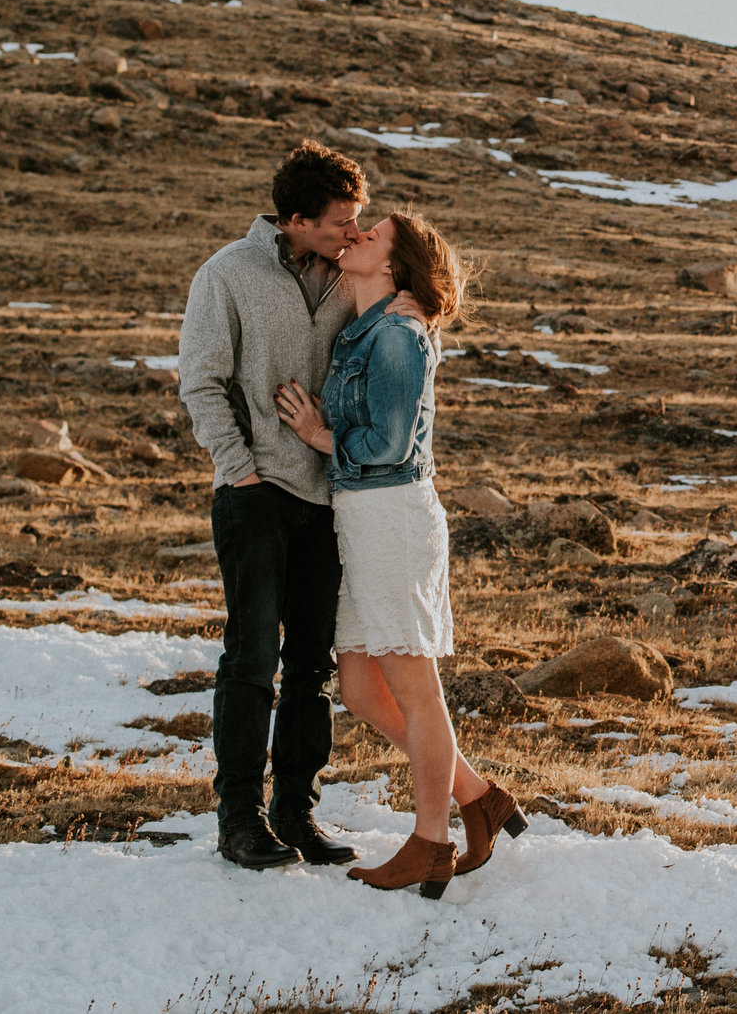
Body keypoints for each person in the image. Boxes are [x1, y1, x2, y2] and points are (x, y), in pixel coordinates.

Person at [274, 208, 524, 900]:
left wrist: (322, 436)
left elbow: (385, 442)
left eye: (371, 234)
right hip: (361, 519)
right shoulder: (367, 325)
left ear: (392, 264)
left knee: (415, 691)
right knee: (359, 687)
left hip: (391, 518)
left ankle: (430, 841)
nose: (355, 236)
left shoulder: (399, 334)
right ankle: (478, 798)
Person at [177, 140, 370, 871]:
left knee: (312, 663)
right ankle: (239, 818)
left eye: (356, 221)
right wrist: (240, 471)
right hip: (256, 495)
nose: (350, 233)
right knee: (253, 656)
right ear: (294, 219)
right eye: (336, 223)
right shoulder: (227, 274)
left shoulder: (352, 278)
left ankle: (297, 810)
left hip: (328, 498)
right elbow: (201, 380)